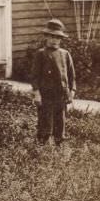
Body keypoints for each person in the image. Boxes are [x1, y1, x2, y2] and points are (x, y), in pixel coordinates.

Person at [31, 18, 76, 146]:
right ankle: (41, 145)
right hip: (46, 95)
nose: (53, 40)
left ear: (61, 39)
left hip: (61, 94)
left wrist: (72, 91)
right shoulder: (40, 54)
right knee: (45, 121)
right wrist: (37, 93)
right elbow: (35, 76)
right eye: (50, 37)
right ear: (46, 37)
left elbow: (71, 75)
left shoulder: (65, 54)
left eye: (56, 37)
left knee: (60, 121)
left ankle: (59, 144)